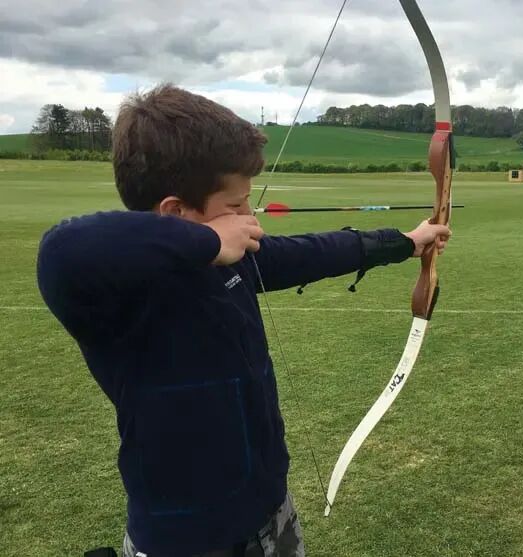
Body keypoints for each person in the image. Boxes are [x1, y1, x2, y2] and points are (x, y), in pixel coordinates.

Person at [36, 84, 451, 557]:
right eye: (234, 208)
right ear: (172, 213)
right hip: (185, 541)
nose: (249, 218)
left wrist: (405, 242)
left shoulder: (232, 263)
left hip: (272, 513)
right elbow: (63, 249)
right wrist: (208, 242)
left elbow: (313, 252)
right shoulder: (115, 296)